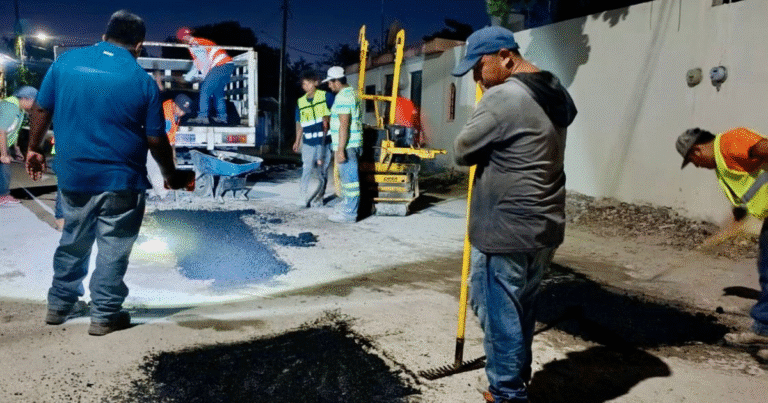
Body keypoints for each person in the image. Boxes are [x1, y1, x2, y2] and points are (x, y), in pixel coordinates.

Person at [25, 9, 189, 336]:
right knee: (114, 246)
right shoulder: (142, 82)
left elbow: (42, 108)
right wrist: (170, 174)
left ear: (104, 36)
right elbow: (156, 138)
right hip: (121, 181)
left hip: (74, 177)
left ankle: (60, 305)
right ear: (139, 45)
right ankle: (104, 314)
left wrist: (34, 148)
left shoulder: (65, 64)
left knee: (73, 239)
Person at [452, 26, 577, 403]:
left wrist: (483, 107)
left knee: (499, 313)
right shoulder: (554, 91)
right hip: (543, 225)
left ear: (506, 57)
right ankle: (516, 377)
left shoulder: (504, 96)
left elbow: (461, 151)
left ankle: (507, 393)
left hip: (504, 227)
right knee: (519, 308)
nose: (476, 76)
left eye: (480, 65)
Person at [675, 127, 768, 347]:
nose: (697, 166)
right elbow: (743, 206)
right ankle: (763, 329)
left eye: (692, 161)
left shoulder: (729, 143)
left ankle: (763, 330)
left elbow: (764, 147)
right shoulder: (722, 163)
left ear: (696, 150)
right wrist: (716, 239)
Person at [323, 66, 363, 223]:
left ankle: (349, 214)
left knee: (350, 181)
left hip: (347, 145)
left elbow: (343, 124)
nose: (329, 86)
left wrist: (340, 149)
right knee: (347, 180)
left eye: (330, 83)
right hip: (352, 143)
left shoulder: (343, 97)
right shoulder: (352, 93)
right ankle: (347, 207)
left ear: (336, 81)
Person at [176, 27, 235, 125]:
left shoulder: (194, 44)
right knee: (218, 93)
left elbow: (203, 62)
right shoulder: (199, 42)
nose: (182, 42)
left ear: (183, 39)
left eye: (181, 40)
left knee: (204, 89)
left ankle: (203, 117)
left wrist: (187, 78)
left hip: (220, 65)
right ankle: (222, 118)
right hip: (227, 65)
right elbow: (199, 63)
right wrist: (197, 77)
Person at [293, 70, 334, 208]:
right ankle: (302, 197)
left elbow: (338, 114)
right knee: (306, 169)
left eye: (308, 83)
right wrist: (297, 141)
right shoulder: (300, 102)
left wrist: (328, 119)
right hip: (308, 143)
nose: (306, 86)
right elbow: (300, 124)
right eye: (304, 84)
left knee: (322, 172)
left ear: (315, 83)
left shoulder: (327, 96)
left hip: (324, 142)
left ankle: (319, 198)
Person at [146, 94, 193, 200]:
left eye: (184, 111)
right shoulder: (163, 114)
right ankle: (163, 194)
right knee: (154, 166)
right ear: (174, 105)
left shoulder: (175, 114)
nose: (182, 113)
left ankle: (156, 190)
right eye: (181, 109)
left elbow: (171, 138)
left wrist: (173, 156)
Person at [0, 86, 38, 205]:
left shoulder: (20, 110)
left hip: (3, 143)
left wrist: (16, 150)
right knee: (4, 169)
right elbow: (1, 131)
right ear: (26, 99)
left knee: (4, 169)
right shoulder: (10, 106)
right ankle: (2, 196)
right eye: (35, 102)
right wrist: (3, 154)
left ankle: (3, 195)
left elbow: (13, 132)